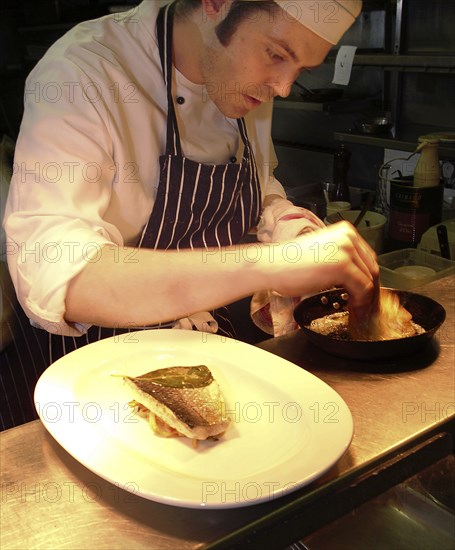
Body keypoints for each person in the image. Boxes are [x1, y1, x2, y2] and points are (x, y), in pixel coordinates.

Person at [2, 0, 376, 425]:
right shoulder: (83, 72)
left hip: (205, 361)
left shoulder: (247, 81)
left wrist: (291, 230)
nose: (284, 87)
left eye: (302, 70)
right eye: (276, 54)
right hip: (93, 380)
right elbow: (57, 275)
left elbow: (259, 187)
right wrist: (269, 265)